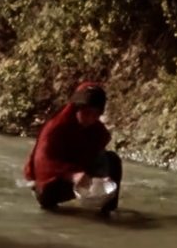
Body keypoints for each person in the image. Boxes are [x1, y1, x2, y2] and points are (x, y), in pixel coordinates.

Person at [24, 82, 123, 213]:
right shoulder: (55, 129)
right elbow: (43, 165)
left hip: (80, 173)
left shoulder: (96, 129)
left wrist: (104, 177)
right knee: (47, 196)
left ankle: (108, 211)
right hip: (50, 182)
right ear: (76, 108)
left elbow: (98, 153)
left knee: (112, 160)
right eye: (87, 113)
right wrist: (72, 175)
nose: (91, 118)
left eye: (96, 114)